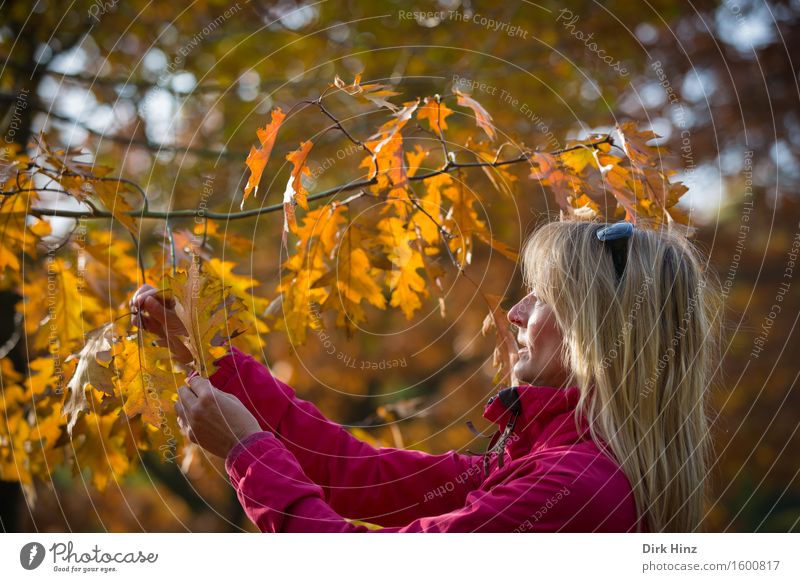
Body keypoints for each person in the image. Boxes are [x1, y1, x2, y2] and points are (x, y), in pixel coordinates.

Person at [130, 218, 723, 532]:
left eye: (542, 297)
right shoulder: (540, 459)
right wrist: (209, 358)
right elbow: (359, 474)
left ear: (599, 331)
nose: (514, 312)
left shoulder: (573, 488)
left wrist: (246, 453)